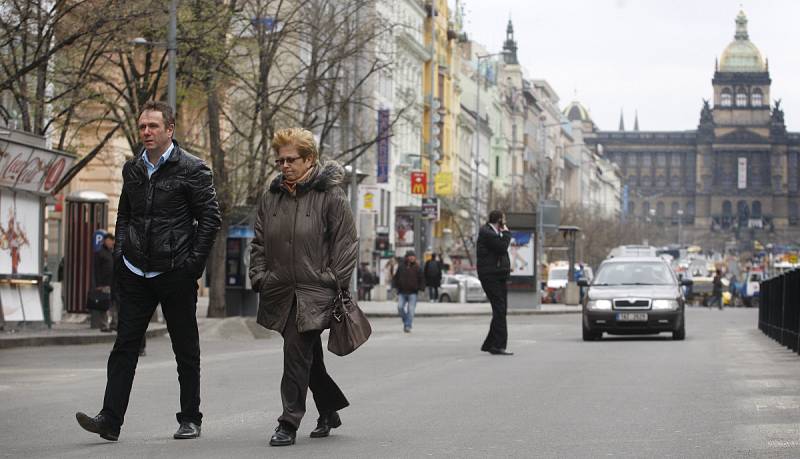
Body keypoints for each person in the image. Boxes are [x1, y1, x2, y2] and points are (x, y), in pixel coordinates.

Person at [76, 101, 221, 442]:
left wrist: (191, 267)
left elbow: (210, 220)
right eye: (143, 127)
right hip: (136, 272)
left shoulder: (193, 169)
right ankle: (109, 420)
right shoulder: (133, 170)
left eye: (153, 126)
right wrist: (122, 252)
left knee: (185, 349)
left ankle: (190, 417)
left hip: (175, 273)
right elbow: (125, 215)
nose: (147, 132)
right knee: (124, 346)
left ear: (170, 130)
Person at [249, 128, 357, 447]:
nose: (283, 165)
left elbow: (347, 244)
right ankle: (329, 409)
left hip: (315, 291)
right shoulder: (272, 198)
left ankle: (288, 422)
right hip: (280, 289)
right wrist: (260, 276)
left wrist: (332, 279)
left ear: (309, 159)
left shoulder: (331, 196)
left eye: (290, 159)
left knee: (295, 352)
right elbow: (258, 242)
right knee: (308, 356)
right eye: (279, 160)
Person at [477, 210, 513, 355]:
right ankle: (498, 345)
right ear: (499, 221)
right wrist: (507, 233)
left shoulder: (493, 232)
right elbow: (502, 247)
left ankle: (490, 344)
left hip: (498, 275)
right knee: (499, 309)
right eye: (503, 220)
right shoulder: (487, 232)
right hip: (490, 276)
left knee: (501, 309)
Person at [393, 250, 424, 333]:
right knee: (400, 307)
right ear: (407, 257)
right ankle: (406, 321)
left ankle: (407, 326)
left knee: (411, 310)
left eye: (413, 256)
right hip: (402, 292)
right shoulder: (401, 266)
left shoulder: (417, 267)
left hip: (413, 292)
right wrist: (395, 286)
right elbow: (396, 277)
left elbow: (422, 279)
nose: (412, 258)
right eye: (410, 256)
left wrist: (421, 288)